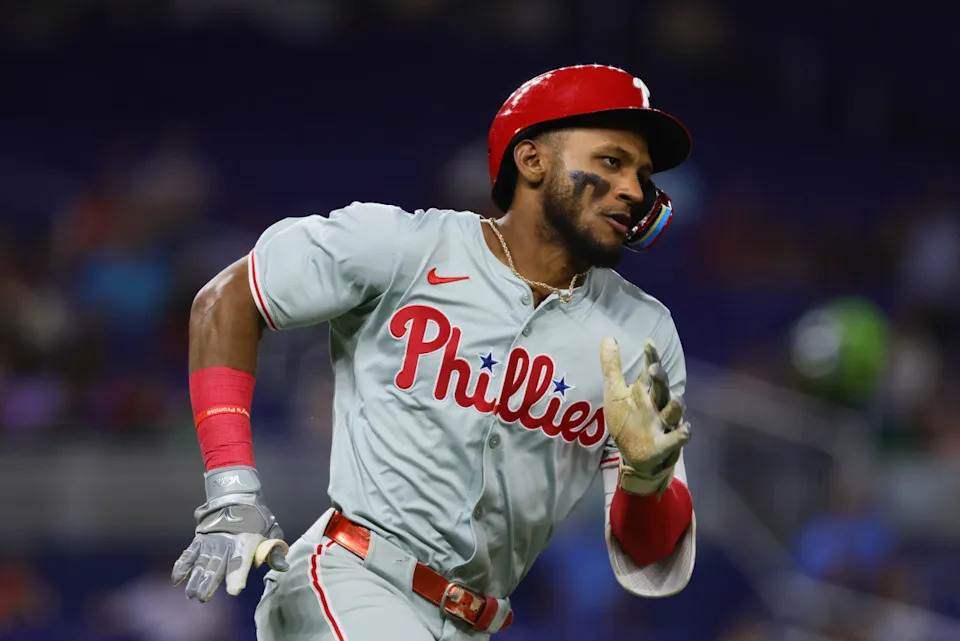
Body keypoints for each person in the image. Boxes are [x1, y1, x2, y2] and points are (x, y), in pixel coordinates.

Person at [172, 64, 697, 640]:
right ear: (532, 161)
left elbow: (650, 557)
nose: (633, 189)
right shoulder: (404, 248)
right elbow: (227, 301)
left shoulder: (642, 332)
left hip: (475, 622)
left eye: (643, 174)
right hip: (353, 579)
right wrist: (232, 491)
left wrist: (645, 478)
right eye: (611, 161)